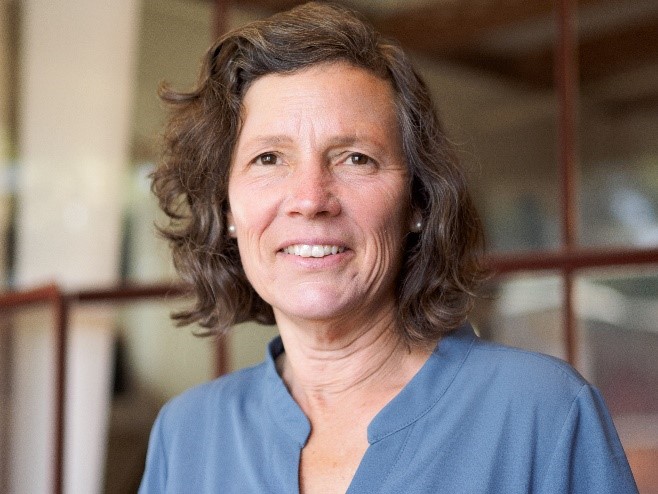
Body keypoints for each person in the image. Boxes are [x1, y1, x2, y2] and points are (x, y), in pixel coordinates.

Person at [139, 2, 638, 493]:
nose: (311, 200)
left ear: (417, 201)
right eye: (269, 158)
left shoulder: (543, 413)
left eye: (356, 158)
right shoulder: (187, 433)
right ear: (226, 209)